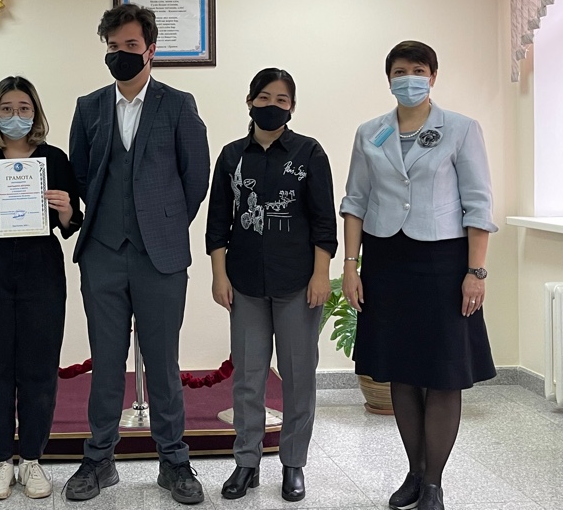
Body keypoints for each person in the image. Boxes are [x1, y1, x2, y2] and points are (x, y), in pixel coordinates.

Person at [340, 41, 497, 510]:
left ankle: (434, 483)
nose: (409, 78)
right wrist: (351, 266)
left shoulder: (461, 129)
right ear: (388, 78)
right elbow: (355, 202)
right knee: (402, 372)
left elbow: (479, 204)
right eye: (399, 71)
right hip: (387, 261)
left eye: (418, 69)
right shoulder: (371, 133)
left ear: (433, 76)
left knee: (443, 374)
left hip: (444, 263)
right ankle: (414, 471)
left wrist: (476, 271)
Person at [66, 3, 210, 505]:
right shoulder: (89, 107)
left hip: (160, 257)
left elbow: (196, 177)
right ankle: (99, 460)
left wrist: (164, 225)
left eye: (130, 45)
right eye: (113, 46)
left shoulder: (178, 105)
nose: (121, 54)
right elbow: (81, 173)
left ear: (150, 50)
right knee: (106, 362)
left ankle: (174, 461)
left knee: (163, 363)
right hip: (102, 253)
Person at [205, 68, 337, 503]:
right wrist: (219, 275)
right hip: (244, 283)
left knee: (298, 377)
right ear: (249, 102)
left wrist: (321, 275)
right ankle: (246, 462)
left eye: (282, 100)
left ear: (292, 107)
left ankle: (293, 463)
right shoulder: (231, 156)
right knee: (248, 377)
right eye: (264, 97)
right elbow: (218, 224)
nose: (272, 106)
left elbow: (324, 222)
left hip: (299, 283)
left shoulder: (309, 152)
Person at [0, 76, 83, 501]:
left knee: (39, 366)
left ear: (35, 113)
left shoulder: (54, 159)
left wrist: (66, 210)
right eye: (6, 109)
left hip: (41, 271)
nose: (15, 116)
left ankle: (33, 459)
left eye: (24, 108)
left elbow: (72, 223)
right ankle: (0, 460)